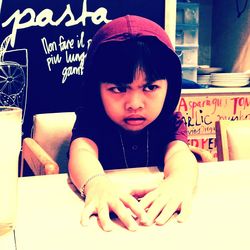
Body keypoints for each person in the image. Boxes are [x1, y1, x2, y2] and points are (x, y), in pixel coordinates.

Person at [68, 15, 198, 232]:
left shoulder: (168, 122)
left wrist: (180, 180)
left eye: (150, 88)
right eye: (118, 89)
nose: (135, 104)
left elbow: (180, 154)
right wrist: (95, 183)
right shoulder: (93, 120)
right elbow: (81, 152)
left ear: (170, 87)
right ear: (96, 89)